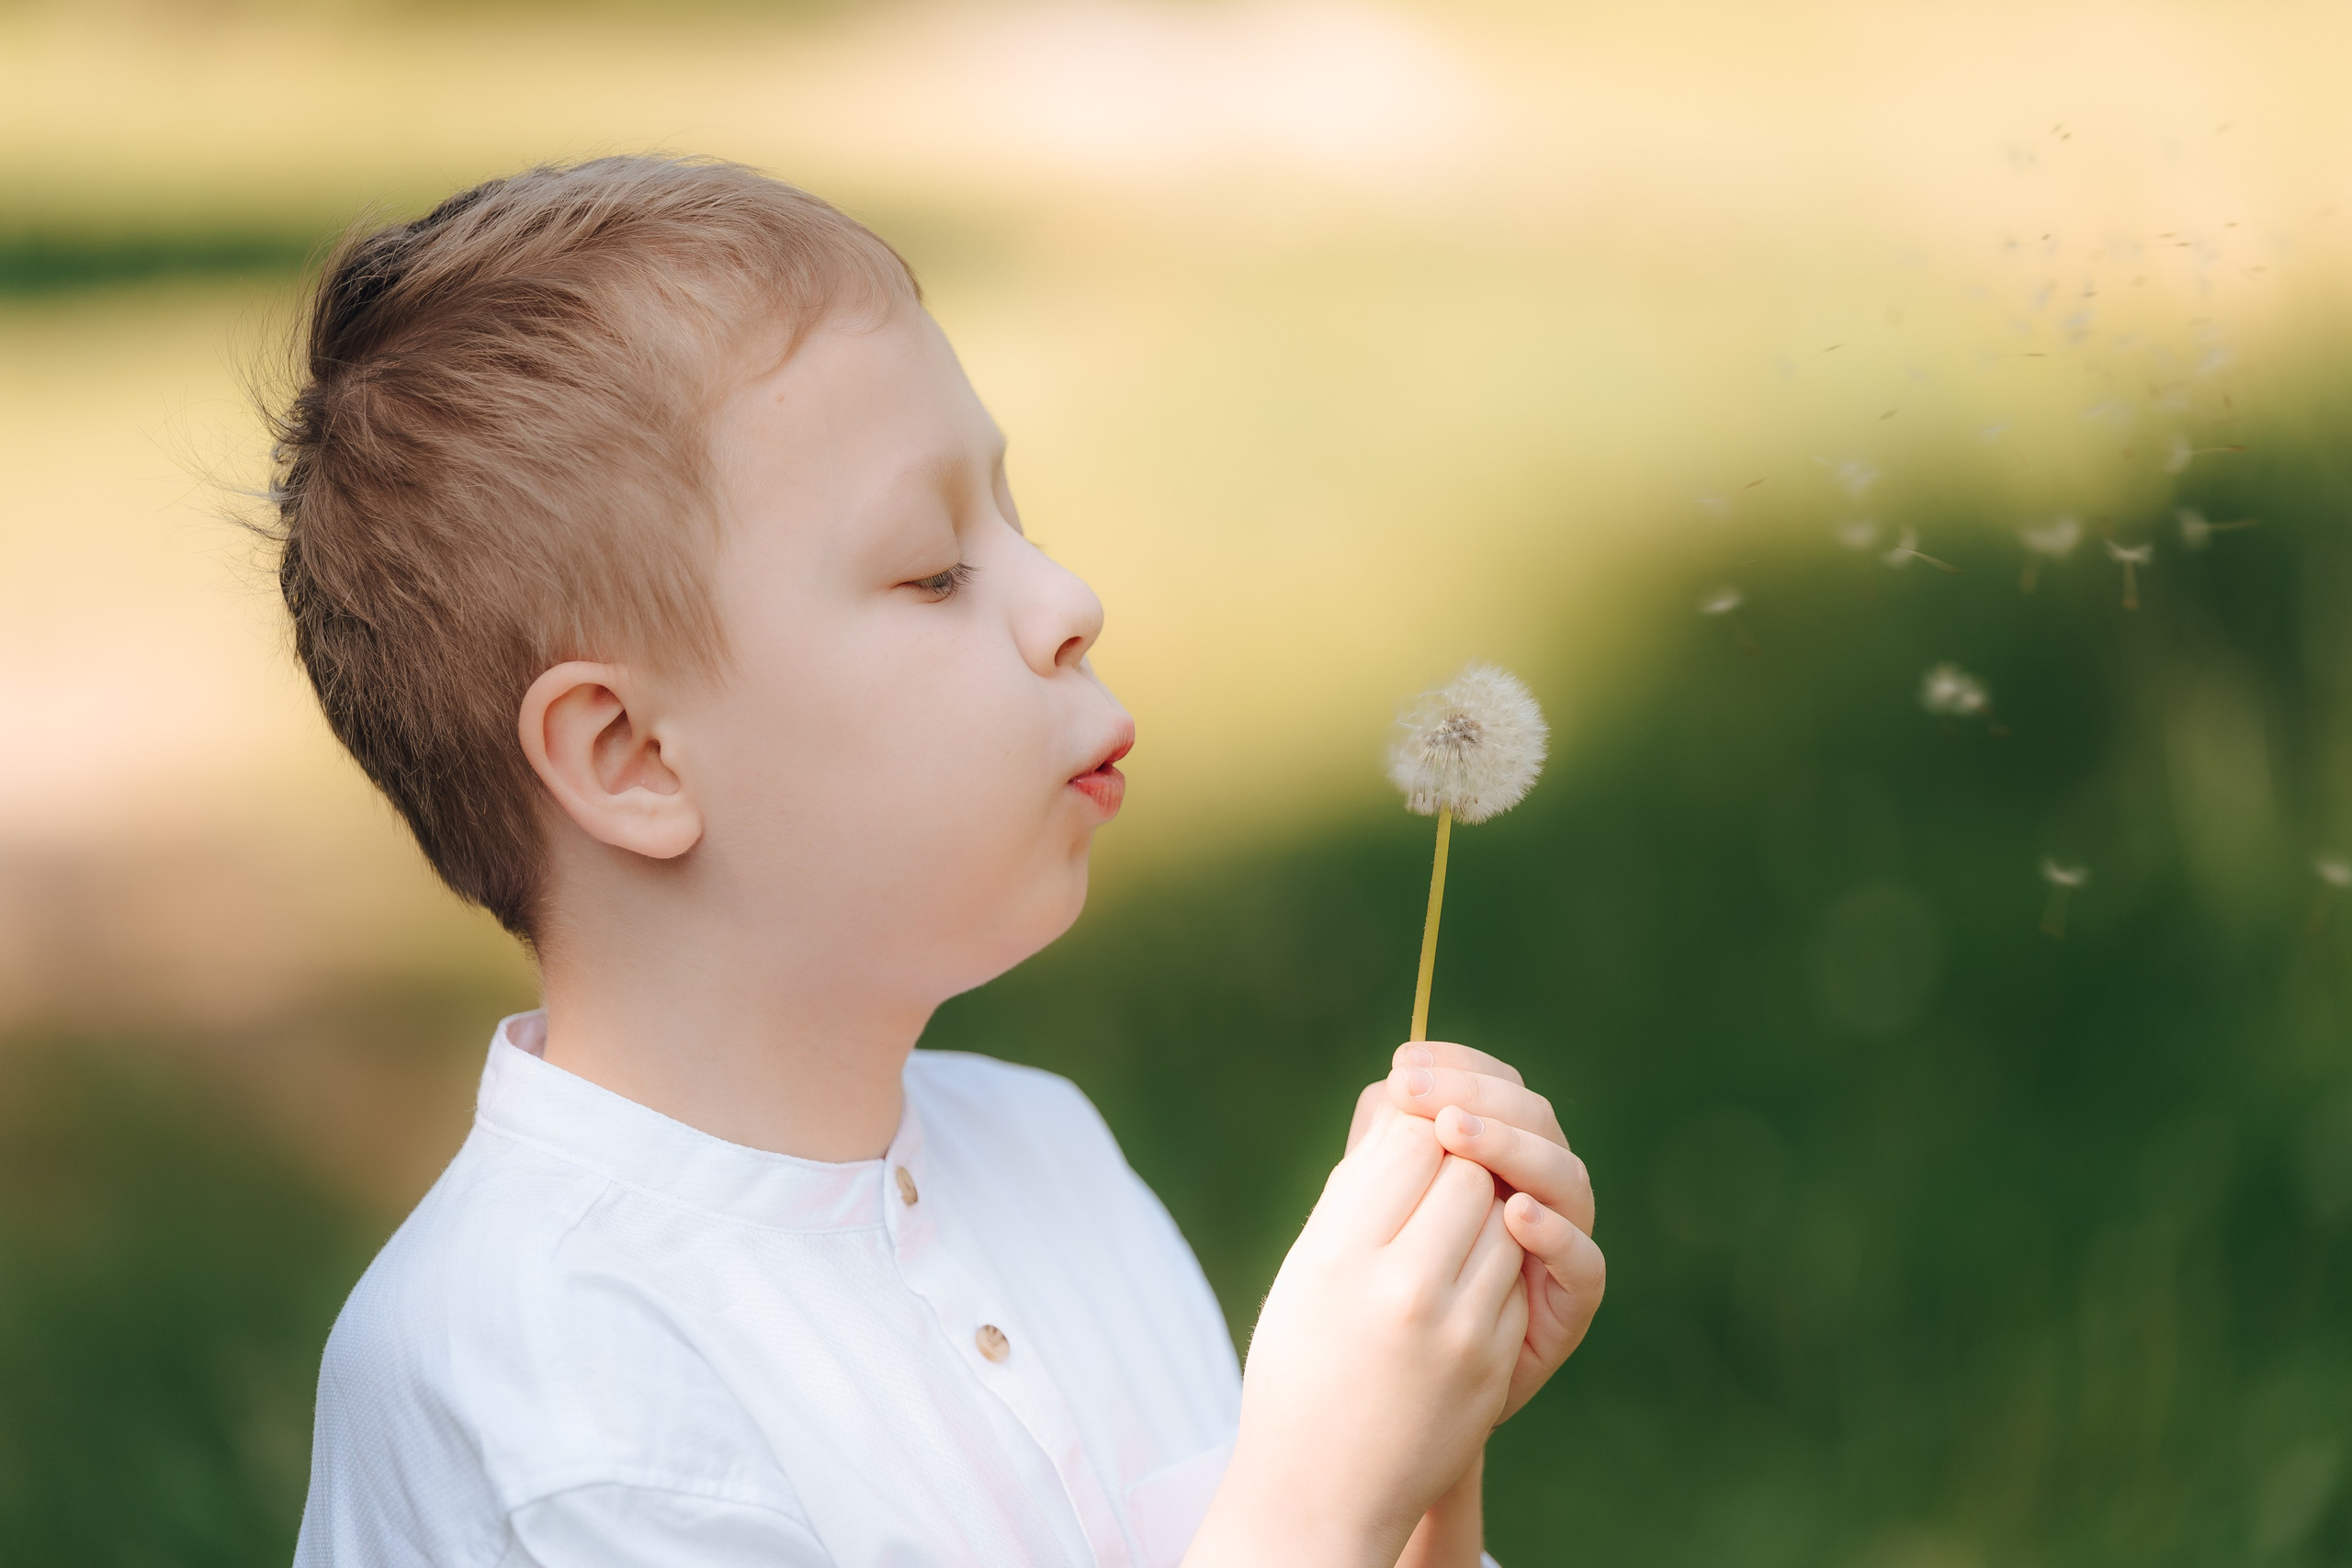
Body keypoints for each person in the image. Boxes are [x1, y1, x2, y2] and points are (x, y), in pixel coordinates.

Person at [269, 154, 1604, 1568]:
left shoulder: (1045, 1153)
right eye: (933, 570)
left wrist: (1416, 1470)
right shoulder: (547, 1387)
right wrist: (1316, 1498)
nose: (1070, 600)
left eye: (1015, 522)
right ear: (633, 756)